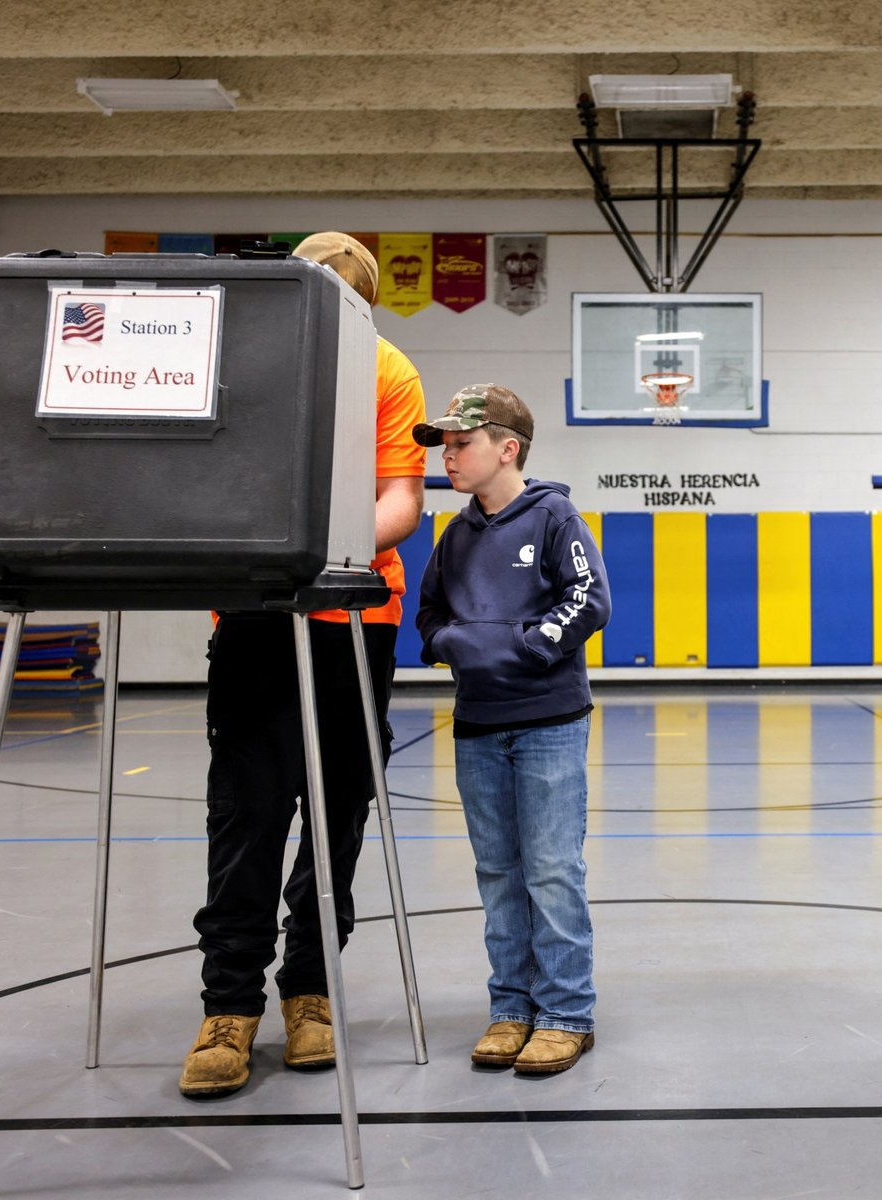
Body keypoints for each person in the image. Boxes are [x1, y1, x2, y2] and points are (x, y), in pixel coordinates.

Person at [179, 233, 426, 1097]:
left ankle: (310, 989)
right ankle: (229, 1006)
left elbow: (401, 497)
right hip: (254, 619)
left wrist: (320, 550)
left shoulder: (388, 369)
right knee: (245, 811)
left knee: (339, 812)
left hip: (355, 617)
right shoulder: (240, 360)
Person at [414, 384, 610, 1076]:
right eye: (444, 445)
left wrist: (520, 648)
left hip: (548, 723)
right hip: (478, 727)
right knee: (499, 872)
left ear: (508, 448)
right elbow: (429, 613)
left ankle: (565, 1011)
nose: (449, 457)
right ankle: (512, 1006)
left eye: (461, 444)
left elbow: (590, 601)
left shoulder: (554, 516)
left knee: (553, 870)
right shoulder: (455, 535)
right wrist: (452, 646)